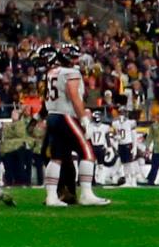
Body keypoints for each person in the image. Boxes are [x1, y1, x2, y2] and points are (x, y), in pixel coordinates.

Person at [40, 44, 111, 208]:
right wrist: (84, 120)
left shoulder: (52, 72)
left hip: (53, 116)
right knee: (88, 152)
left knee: (56, 157)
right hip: (66, 116)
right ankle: (86, 194)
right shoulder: (71, 72)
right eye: (75, 57)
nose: (77, 60)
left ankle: (51, 197)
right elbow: (74, 96)